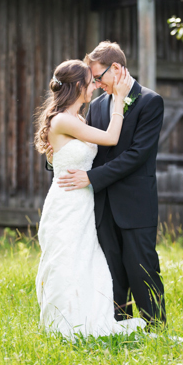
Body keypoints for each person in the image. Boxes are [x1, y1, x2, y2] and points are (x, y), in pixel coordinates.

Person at [33, 59, 146, 339]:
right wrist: (119, 100)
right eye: (90, 82)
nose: (95, 87)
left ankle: (85, 316)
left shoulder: (79, 120)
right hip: (68, 201)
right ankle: (65, 325)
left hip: (83, 201)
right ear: (78, 87)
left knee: (86, 260)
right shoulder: (62, 121)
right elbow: (110, 138)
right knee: (67, 260)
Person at [56, 42, 166, 327]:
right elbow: (92, 149)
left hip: (135, 205)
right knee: (110, 273)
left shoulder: (150, 101)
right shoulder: (98, 106)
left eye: (98, 77)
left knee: (143, 269)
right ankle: (119, 328)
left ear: (116, 68)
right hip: (102, 205)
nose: (95, 84)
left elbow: (136, 155)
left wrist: (92, 178)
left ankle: (156, 329)